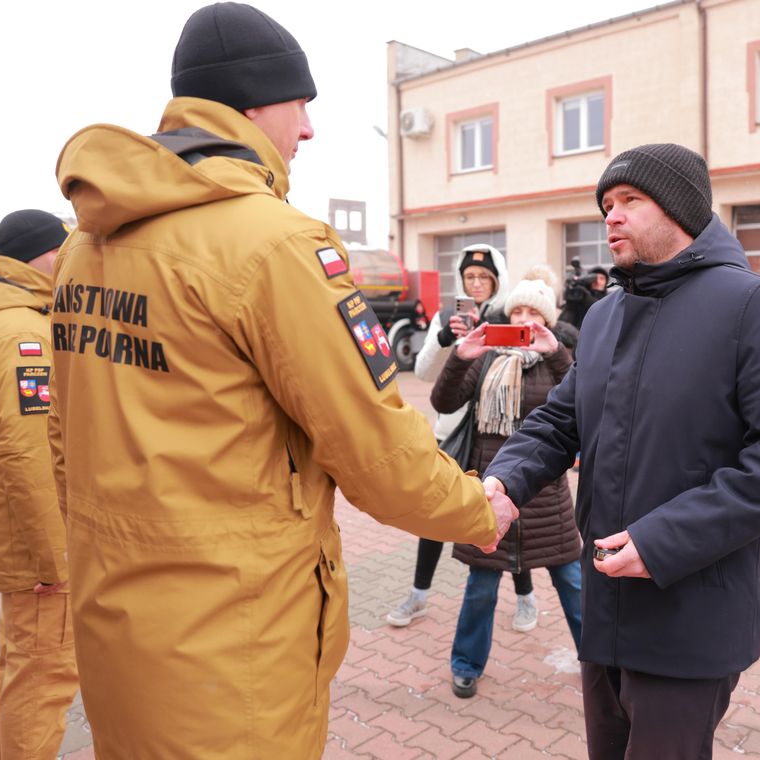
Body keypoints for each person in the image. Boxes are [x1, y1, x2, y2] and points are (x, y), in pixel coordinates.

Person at [49, 5, 516, 758]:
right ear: (255, 100)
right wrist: (471, 508)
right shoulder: (270, 243)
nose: (308, 129)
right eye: (303, 106)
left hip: (118, 629)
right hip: (233, 650)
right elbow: (371, 444)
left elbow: (64, 433)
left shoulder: (84, 244)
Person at [484, 144, 760, 759]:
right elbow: (561, 418)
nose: (610, 216)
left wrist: (663, 540)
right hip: (606, 605)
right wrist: (504, 483)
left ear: (680, 210)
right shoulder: (604, 315)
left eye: (629, 202)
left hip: (690, 613)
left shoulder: (755, 305)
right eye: (605, 205)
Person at [0, 209, 79, 759]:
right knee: (44, 679)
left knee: (23, 671)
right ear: (45, 257)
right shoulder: (21, 332)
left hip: (16, 539)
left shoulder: (8, 317)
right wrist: (55, 562)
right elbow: (27, 453)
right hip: (34, 552)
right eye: (65, 250)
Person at [430, 272, 583, 699]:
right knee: (480, 587)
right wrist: (461, 355)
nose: (523, 319)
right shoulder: (489, 358)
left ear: (548, 321)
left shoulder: (558, 358)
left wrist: (556, 356)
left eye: (534, 312)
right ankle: (466, 664)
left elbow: (584, 403)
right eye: (517, 310)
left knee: (572, 582)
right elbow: (444, 402)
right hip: (490, 488)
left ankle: (600, 663)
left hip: (544, 495)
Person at [389, 245, 541, 631]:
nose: (475, 284)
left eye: (483, 277)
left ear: (496, 280)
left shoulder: (508, 315)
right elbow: (423, 374)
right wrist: (445, 338)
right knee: (434, 514)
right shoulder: (448, 317)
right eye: (469, 277)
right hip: (453, 434)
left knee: (507, 514)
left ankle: (526, 597)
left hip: (496, 434)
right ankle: (419, 594)